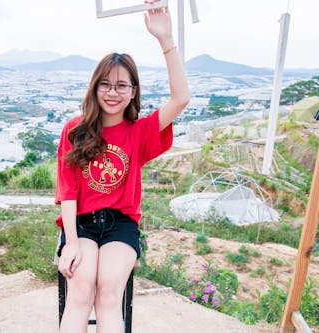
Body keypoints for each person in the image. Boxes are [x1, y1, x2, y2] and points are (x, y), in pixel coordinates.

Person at [55, 1, 189, 332]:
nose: (113, 92)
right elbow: (68, 191)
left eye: (122, 86)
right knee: (80, 292)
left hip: (121, 226)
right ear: (95, 87)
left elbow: (181, 98)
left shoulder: (140, 132)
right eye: (106, 84)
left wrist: (166, 40)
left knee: (109, 295)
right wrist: (71, 241)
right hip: (81, 226)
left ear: (133, 93)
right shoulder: (75, 129)